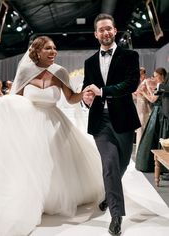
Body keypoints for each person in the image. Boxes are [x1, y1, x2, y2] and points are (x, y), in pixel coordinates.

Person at [0, 36, 104, 236]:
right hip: (29, 124)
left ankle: (52, 197)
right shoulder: (26, 71)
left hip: (55, 124)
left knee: (56, 163)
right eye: (48, 48)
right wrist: (0, 98)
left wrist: (83, 93)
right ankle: (31, 197)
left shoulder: (60, 72)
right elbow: (16, 98)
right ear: (37, 51)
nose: (53, 52)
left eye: (55, 48)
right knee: (30, 165)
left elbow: (71, 98)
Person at [82, 14, 141, 235]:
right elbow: (89, 89)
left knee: (122, 164)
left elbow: (131, 84)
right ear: (96, 34)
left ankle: (109, 195)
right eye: (101, 30)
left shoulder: (130, 56)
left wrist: (103, 91)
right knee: (109, 164)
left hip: (124, 120)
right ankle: (116, 216)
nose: (105, 33)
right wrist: (87, 99)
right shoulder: (89, 62)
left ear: (114, 31)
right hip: (101, 122)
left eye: (109, 29)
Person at [135, 67, 167, 172]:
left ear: (162, 76)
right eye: (154, 76)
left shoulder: (162, 86)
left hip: (159, 113)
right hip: (156, 113)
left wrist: (144, 92)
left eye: (156, 76)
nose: (155, 78)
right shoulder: (158, 85)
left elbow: (153, 100)